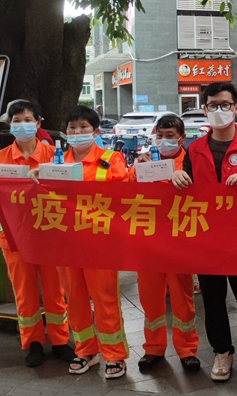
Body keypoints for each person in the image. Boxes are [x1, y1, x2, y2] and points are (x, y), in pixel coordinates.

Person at [171, 82, 237, 382]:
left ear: (236, 108)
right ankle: (222, 352)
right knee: (213, 299)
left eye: (225, 104)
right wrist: (177, 176)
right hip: (207, 236)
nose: (219, 110)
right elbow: (186, 185)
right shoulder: (194, 149)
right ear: (205, 109)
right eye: (213, 105)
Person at [29, 106, 130, 378]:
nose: (77, 132)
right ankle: (86, 350)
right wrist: (37, 178)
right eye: (72, 127)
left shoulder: (112, 159)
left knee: (105, 299)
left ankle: (114, 355)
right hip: (67, 245)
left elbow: (124, 198)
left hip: (100, 245)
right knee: (74, 299)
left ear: (96, 131)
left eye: (83, 127)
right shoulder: (56, 164)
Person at [0, 100, 74, 368]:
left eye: (28, 120)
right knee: (24, 292)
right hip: (14, 237)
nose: (23, 125)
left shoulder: (56, 156)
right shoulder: (1, 159)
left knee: (55, 290)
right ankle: (32, 342)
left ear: (38, 123)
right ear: (9, 125)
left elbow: (72, 189)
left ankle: (60, 340)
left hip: (51, 234)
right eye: (17, 121)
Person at [128, 116, 200, 372]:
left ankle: (187, 350)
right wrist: (138, 169)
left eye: (170, 135)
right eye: (160, 135)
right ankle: (153, 348)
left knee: (182, 299)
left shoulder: (191, 162)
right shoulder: (146, 162)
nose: (164, 140)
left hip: (179, 241)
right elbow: (126, 190)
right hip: (148, 241)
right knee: (150, 299)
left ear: (182, 138)